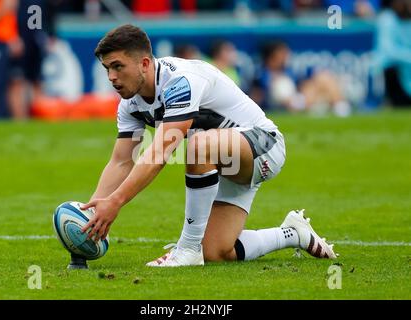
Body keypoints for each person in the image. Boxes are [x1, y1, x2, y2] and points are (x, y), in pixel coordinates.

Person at [76, 24, 337, 268]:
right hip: (222, 160)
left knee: (198, 146)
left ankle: (188, 249)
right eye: (107, 69)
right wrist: (90, 219)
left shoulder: (180, 81)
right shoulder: (130, 105)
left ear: (144, 63)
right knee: (217, 252)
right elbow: (121, 161)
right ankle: (293, 233)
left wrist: (117, 202)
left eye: (117, 66)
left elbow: (160, 152)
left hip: (263, 144)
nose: (111, 77)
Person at [251, 40, 351, 116]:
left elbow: (306, 79)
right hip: (288, 105)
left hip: (302, 99)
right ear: (272, 56)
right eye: (282, 53)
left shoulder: (289, 71)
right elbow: (259, 99)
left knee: (323, 77)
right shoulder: (262, 75)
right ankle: (337, 107)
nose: (286, 56)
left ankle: (340, 106)